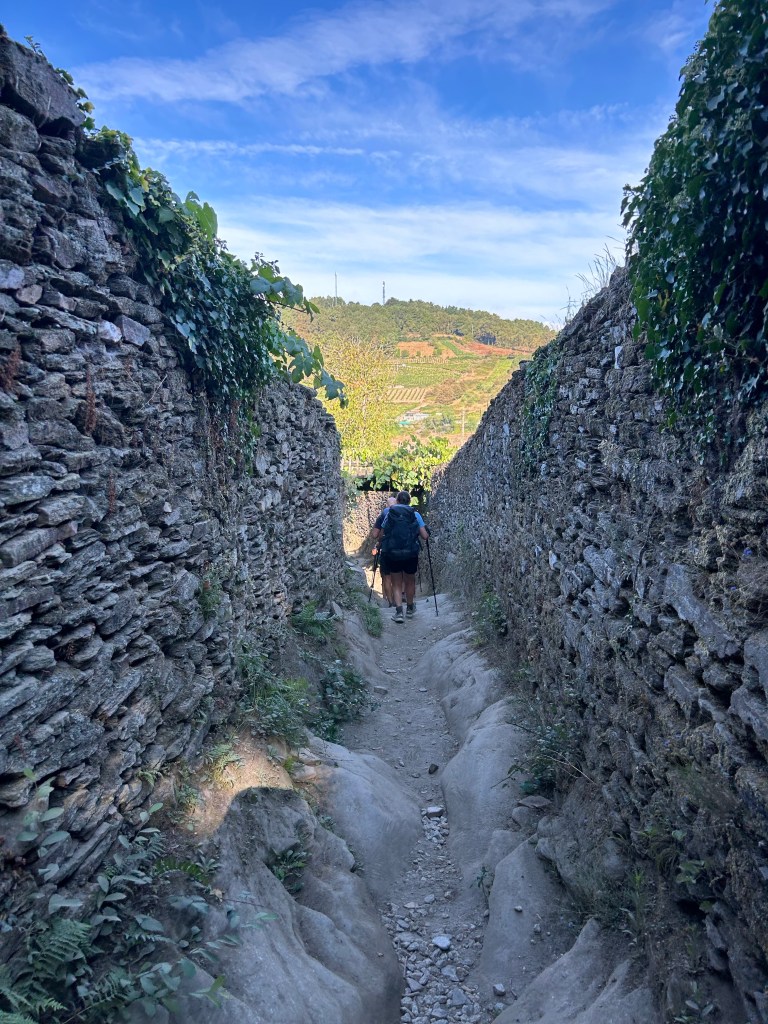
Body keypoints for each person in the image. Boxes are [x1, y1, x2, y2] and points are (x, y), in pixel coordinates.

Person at [372, 490, 428, 623]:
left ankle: (398, 612)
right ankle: (410, 608)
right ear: (410, 501)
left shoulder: (390, 513)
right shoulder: (415, 514)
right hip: (410, 553)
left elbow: (381, 534)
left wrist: (382, 543)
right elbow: (425, 536)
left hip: (393, 553)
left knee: (396, 583)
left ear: (397, 501)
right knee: (410, 581)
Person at [371, 496, 397, 606]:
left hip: (386, 549)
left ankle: (389, 601)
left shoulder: (383, 516)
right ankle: (399, 599)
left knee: (386, 576)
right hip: (401, 549)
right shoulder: (404, 515)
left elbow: (375, 534)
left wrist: (379, 541)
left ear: (386, 505)